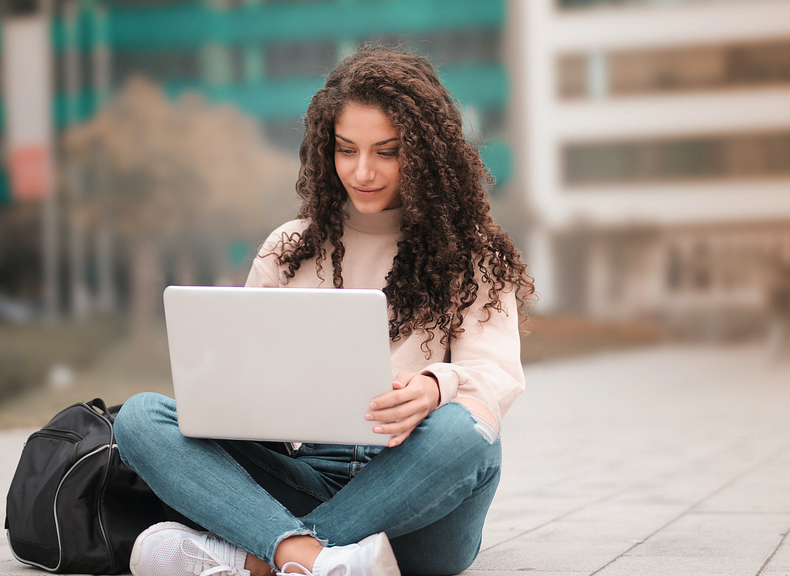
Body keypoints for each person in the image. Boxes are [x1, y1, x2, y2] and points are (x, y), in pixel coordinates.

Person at [112, 45, 534, 576]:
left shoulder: (471, 254)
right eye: (346, 149)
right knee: (140, 417)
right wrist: (234, 392)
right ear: (324, 149)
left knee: (468, 432)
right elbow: (237, 382)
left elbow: (495, 379)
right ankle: (318, 562)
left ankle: (262, 559)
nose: (362, 172)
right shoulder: (287, 249)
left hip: (416, 500)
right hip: (303, 475)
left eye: (387, 151)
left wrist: (434, 386)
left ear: (426, 153)